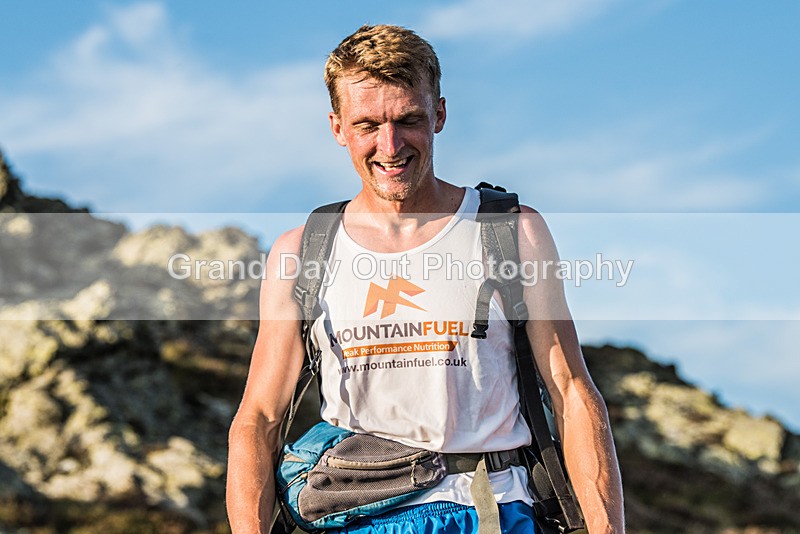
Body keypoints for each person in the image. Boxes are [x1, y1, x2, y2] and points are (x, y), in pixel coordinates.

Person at [227, 24, 625, 533]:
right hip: (357, 518)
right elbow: (258, 419)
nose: (390, 145)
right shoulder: (302, 251)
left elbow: (571, 391)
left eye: (408, 120)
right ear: (337, 127)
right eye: (367, 124)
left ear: (439, 114)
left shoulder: (510, 231)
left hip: (495, 509)